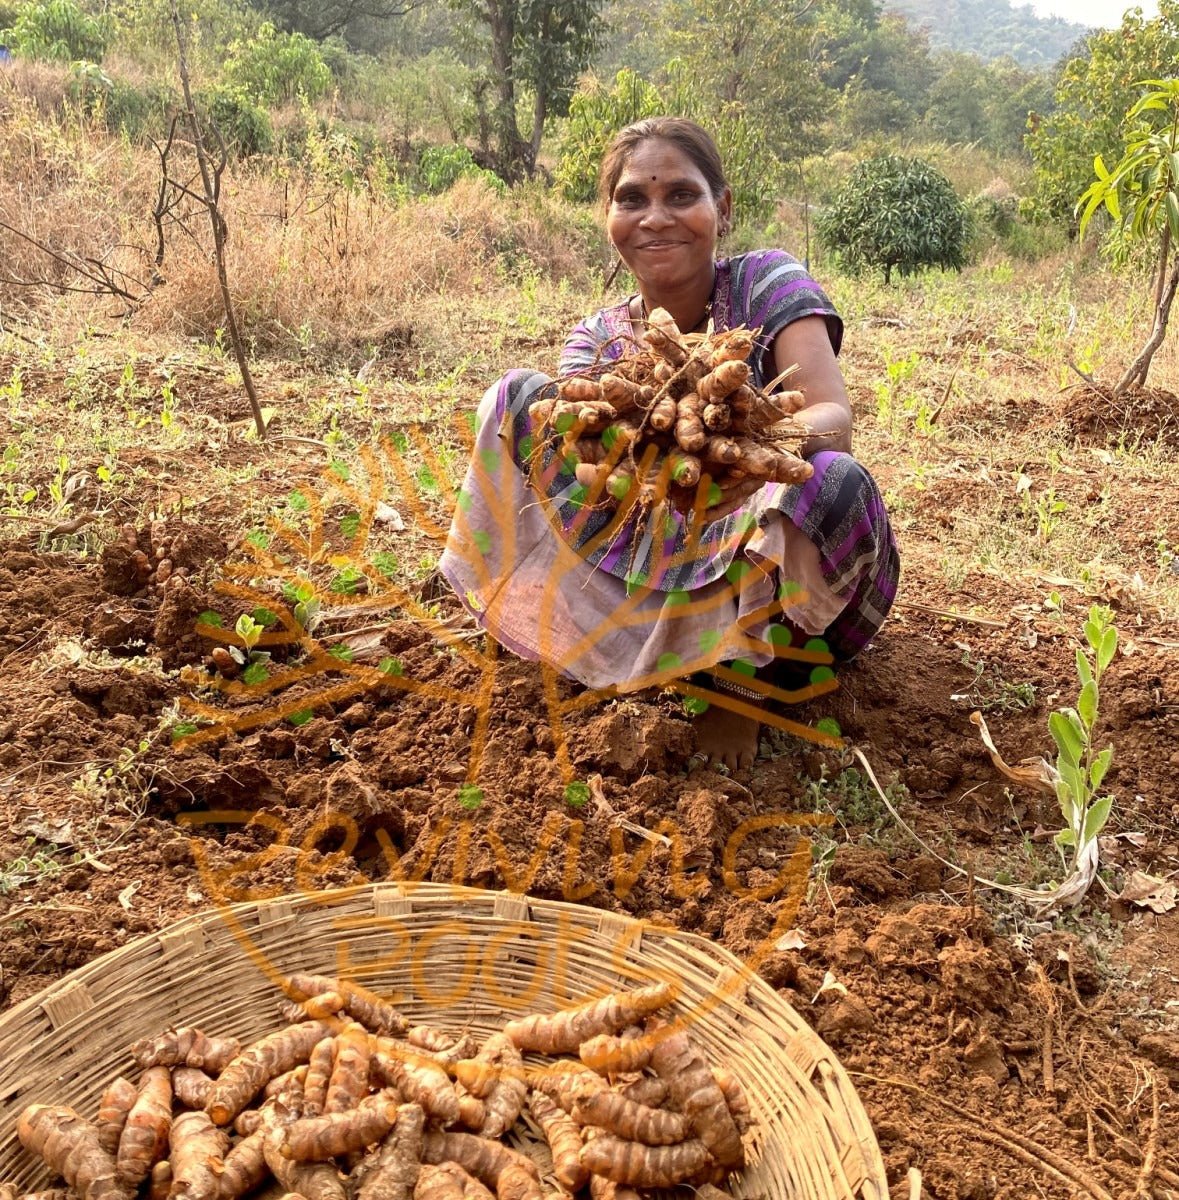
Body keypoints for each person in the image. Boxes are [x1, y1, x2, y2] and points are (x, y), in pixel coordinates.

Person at [440, 117, 898, 772]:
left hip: (787, 566)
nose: (655, 217)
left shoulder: (766, 283)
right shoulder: (596, 339)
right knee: (518, 399)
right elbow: (595, 476)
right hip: (660, 550)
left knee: (830, 477)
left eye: (680, 194)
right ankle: (584, 630)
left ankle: (740, 686)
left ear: (722, 207)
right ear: (608, 217)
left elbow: (832, 415)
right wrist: (636, 455)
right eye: (632, 198)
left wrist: (736, 443)